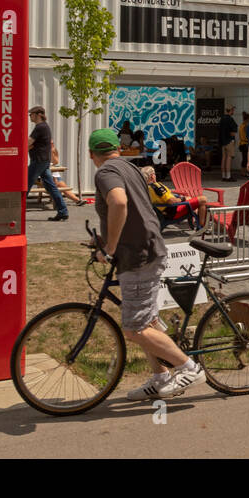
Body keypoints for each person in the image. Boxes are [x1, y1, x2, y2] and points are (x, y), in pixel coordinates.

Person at [88, 128, 202, 400]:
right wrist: (104, 241)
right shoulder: (131, 167)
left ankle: (189, 368)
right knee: (146, 322)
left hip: (138, 255)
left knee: (134, 328)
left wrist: (111, 247)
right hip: (146, 247)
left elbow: (119, 203)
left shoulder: (106, 172)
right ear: (117, 148)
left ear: (92, 154)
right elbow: (135, 211)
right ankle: (161, 377)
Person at [28, 106, 68, 221]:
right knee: (51, 187)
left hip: (38, 161)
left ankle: (17, 213)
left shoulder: (40, 127)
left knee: (25, 185)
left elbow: (28, 143)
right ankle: (63, 211)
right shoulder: (43, 127)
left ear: (38, 114)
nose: (30, 116)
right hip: (44, 161)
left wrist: (29, 145)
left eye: (31, 114)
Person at [139, 165, 208, 228]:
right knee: (203, 199)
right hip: (173, 211)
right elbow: (171, 201)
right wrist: (183, 198)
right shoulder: (156, 187)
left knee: (192, 200)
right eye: (154, 174)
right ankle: (202, 227)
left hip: (163, 212)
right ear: (152, 176)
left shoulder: (144, 187)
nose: (155, 175)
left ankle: (198, 223)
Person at [220, 106, 239, 181]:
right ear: (231, 110)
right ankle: (228, 176)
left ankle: (223, 176)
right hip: (229, 141)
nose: (233, 111)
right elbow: (233, 131)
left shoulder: (222, 119)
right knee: (229, 158)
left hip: (222, 141)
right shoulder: (230, 119)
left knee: (223, 157)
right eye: (233, 110)